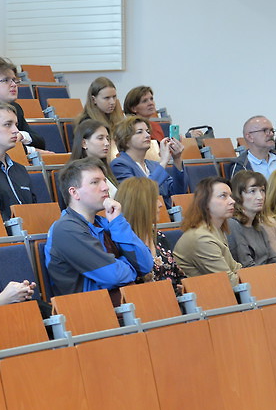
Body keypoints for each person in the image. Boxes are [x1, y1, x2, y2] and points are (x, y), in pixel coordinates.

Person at [45, 157, 154, 297]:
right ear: (74, 192)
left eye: (104, 181)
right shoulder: (66, 229)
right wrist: (133, 268)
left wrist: (118, 222)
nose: (105, 187)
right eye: (95, 182)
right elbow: (114, 276)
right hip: (90, 306)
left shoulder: (106, 222)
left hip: (121, 301)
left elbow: (145, 265)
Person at [116, 176, 185, 294]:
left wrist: (183, 287)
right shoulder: (121, 244)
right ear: (140, 205)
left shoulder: (158, 236)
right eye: (154, 200)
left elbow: (178, 274)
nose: (160, 204)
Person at [173, 176, 241, 283]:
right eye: (223, 196)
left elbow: (235, 267)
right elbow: (228, 281)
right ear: (205, 202)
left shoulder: (215, 229)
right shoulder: (202, 238)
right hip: (205, 292)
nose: (232, 201)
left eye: (230, 196)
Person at [110, 115, 186, 208]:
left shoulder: (154, 165)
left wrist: (177, 159)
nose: (147, 135)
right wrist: (164, 161)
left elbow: (178, 192)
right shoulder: (119, 165)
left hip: (165, 213)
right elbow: (139, 194)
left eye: (148, 131)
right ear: (125, 140)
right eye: (139, 132)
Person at [227, 170, 276, 274]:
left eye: (262, 190)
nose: (260, 197)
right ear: (238, 195)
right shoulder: (233, 225)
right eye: (252, 191)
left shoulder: (259, 227)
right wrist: (274, 275)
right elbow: (246, 266)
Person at [74, 77, 125, 154]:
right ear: (94, 99)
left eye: (114, 97)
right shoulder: (86, 122)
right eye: (107, 98)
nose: (112, 102)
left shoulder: (117, 118)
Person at [69, 119, 118, 200]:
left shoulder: (107, 170)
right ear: (84, 143)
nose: (107, 143)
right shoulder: (76, 173)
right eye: (100, 138)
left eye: (107, 138)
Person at [123, 85, 165, 161]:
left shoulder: (156, 126)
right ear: (134, 108)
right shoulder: (128, 128)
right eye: (145, 101)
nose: (151, 103)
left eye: (151, 99)